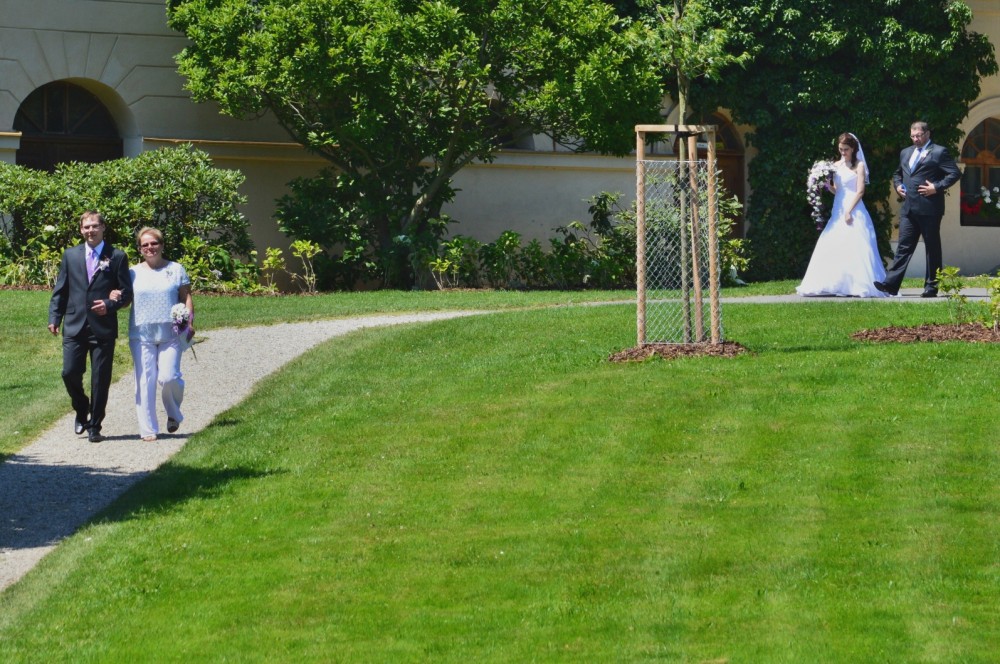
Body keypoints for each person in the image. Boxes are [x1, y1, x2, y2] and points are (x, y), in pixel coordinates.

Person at [48, 211, 133, 442]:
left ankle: (95, 425)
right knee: (69, 372)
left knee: (100, 379)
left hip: (102, 326)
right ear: (81, 230)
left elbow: (126, 293)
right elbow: (61, 289)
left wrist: (110, 304)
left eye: (95, 226)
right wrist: (54, 317)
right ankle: (81, 407)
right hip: (74, 324)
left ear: (103, 227)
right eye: (86, 227)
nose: (90, 231)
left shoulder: (116, 256)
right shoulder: (70, 255)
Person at [120, 227, 194, 442]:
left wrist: (189, 322)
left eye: (154, 243)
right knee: (145, 381)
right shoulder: (132, 273)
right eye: (145, 245)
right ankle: (148, 429)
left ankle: (173, 413)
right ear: (139, 248)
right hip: (141, 334)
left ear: (162, 245)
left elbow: (186, 297)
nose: (150, 247)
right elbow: (125, 302)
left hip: (171, 333)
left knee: (169, 377)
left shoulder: (176, 269)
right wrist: (115, 296)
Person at [797, 133, 888, 298]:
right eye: (840, 149)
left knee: (856, 245)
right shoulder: (835, 165)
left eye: (846, 149)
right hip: (838, 207)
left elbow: (860, 191)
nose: (843, 152)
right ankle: (835, 283)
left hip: (854, 208)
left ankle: (858, 284)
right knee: (834, 243)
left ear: (853, 149)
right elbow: (837, 190)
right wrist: (825, 184)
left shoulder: (859, 165)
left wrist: (849, 210)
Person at [876, 121, 961, 297]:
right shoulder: (906, 152)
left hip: (930, 208)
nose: (915, 139)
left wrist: (936, 187)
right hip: (909, 208)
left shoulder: (939, 152)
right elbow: (898, 174)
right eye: (913, 136)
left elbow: (954, 173)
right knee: (903, 247)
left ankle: (931, 287)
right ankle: (890, 285)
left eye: (919, 135)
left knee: (932, 247)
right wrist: (898, 186)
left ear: (927, 134)